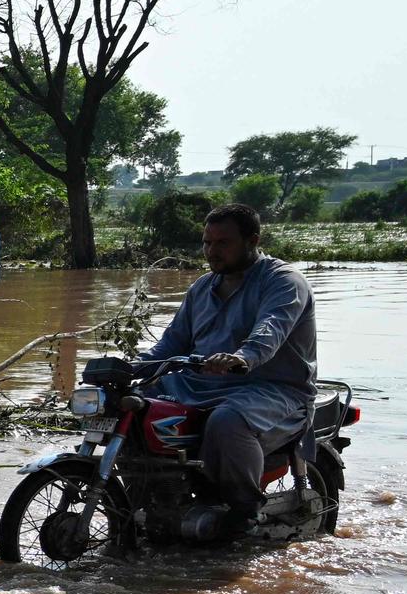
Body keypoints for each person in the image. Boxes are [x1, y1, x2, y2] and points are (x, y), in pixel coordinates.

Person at [136, 203, 317, 536]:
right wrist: (131, 367)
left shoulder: (283, 281)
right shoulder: (201, 288)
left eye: (223, 243)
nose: (211, 251)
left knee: (226, 421)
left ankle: (242, 512)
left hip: (273, 389)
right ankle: (140, 500)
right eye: (207, 242)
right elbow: (172, 344)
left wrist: (241, 358)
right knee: (133, 403)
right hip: (200, 384)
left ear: (253, 240)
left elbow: (271, 329)